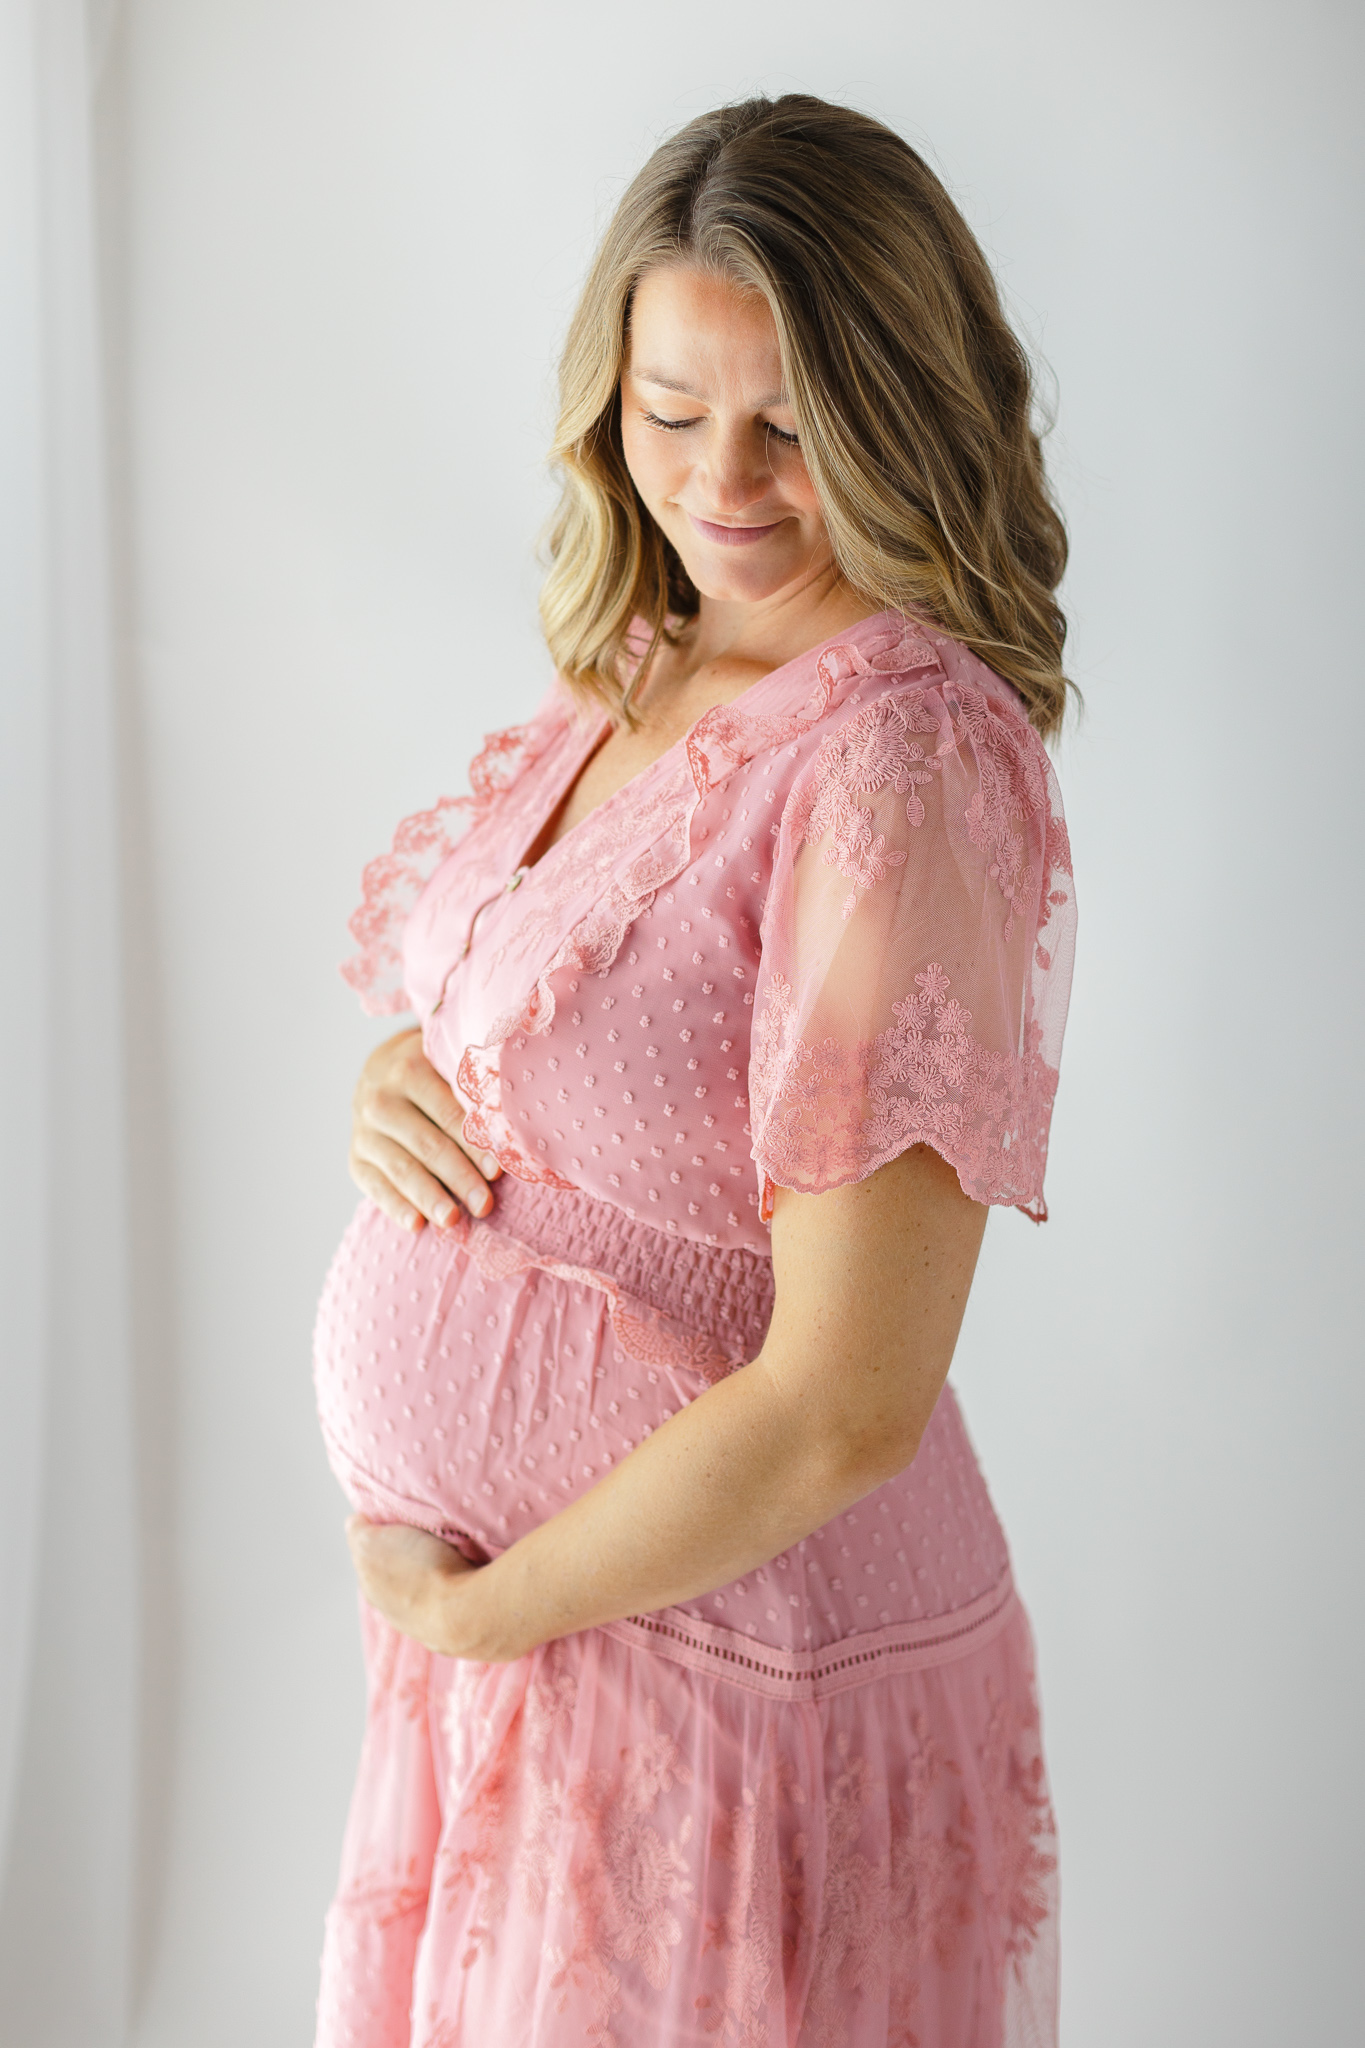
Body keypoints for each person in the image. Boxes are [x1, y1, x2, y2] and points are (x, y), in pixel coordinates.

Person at [313, 93, 1076, 2048]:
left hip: (728, 1679)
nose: (718, 483)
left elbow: (845, 1401)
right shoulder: (649, 659)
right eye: (669, 411)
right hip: (567, 1654)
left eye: (787, 423)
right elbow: (608, 1036)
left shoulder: (890, 761)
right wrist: (422, 1076)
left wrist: (493, 1606)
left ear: (897, 404)